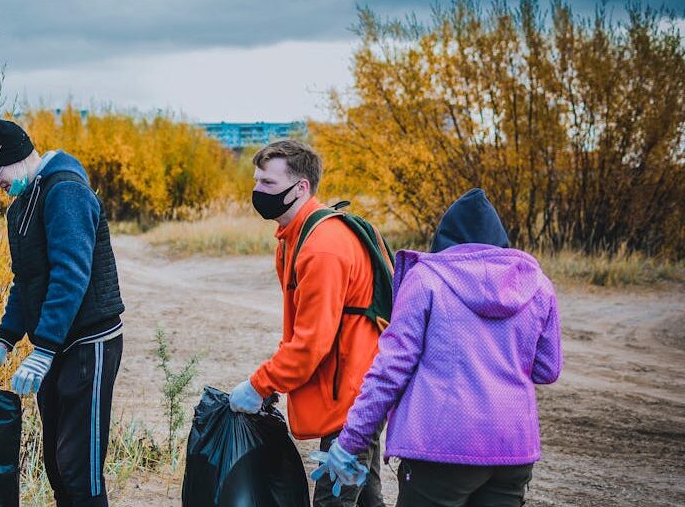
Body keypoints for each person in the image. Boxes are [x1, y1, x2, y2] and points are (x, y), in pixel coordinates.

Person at [312, 188, 563, 507]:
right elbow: (547, 369)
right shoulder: (538, 285)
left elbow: (390, 370)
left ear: (445, 238)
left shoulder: (427, 279)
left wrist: (349, 443)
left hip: (440, 449)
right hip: (512, 449)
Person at [0, 118, 125, 507]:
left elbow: (71, 273)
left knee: (80, 465)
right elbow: (25, 280)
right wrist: (3, 343)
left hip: (89, 341)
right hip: (57, 345)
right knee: (57, 462)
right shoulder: (22, 206)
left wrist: (42, 348)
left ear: (16, 157)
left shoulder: (65, 191)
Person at [227, 139, 386, 506]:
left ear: (301, 187)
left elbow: (311, 344)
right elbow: (299, 330)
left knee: (334, 501)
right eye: (256, 182)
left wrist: (259, 386)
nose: (257, 192)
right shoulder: (292, 238)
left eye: (268, 184)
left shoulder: (322, 247)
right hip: (358, 391)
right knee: (364, 500)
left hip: (354, 399)